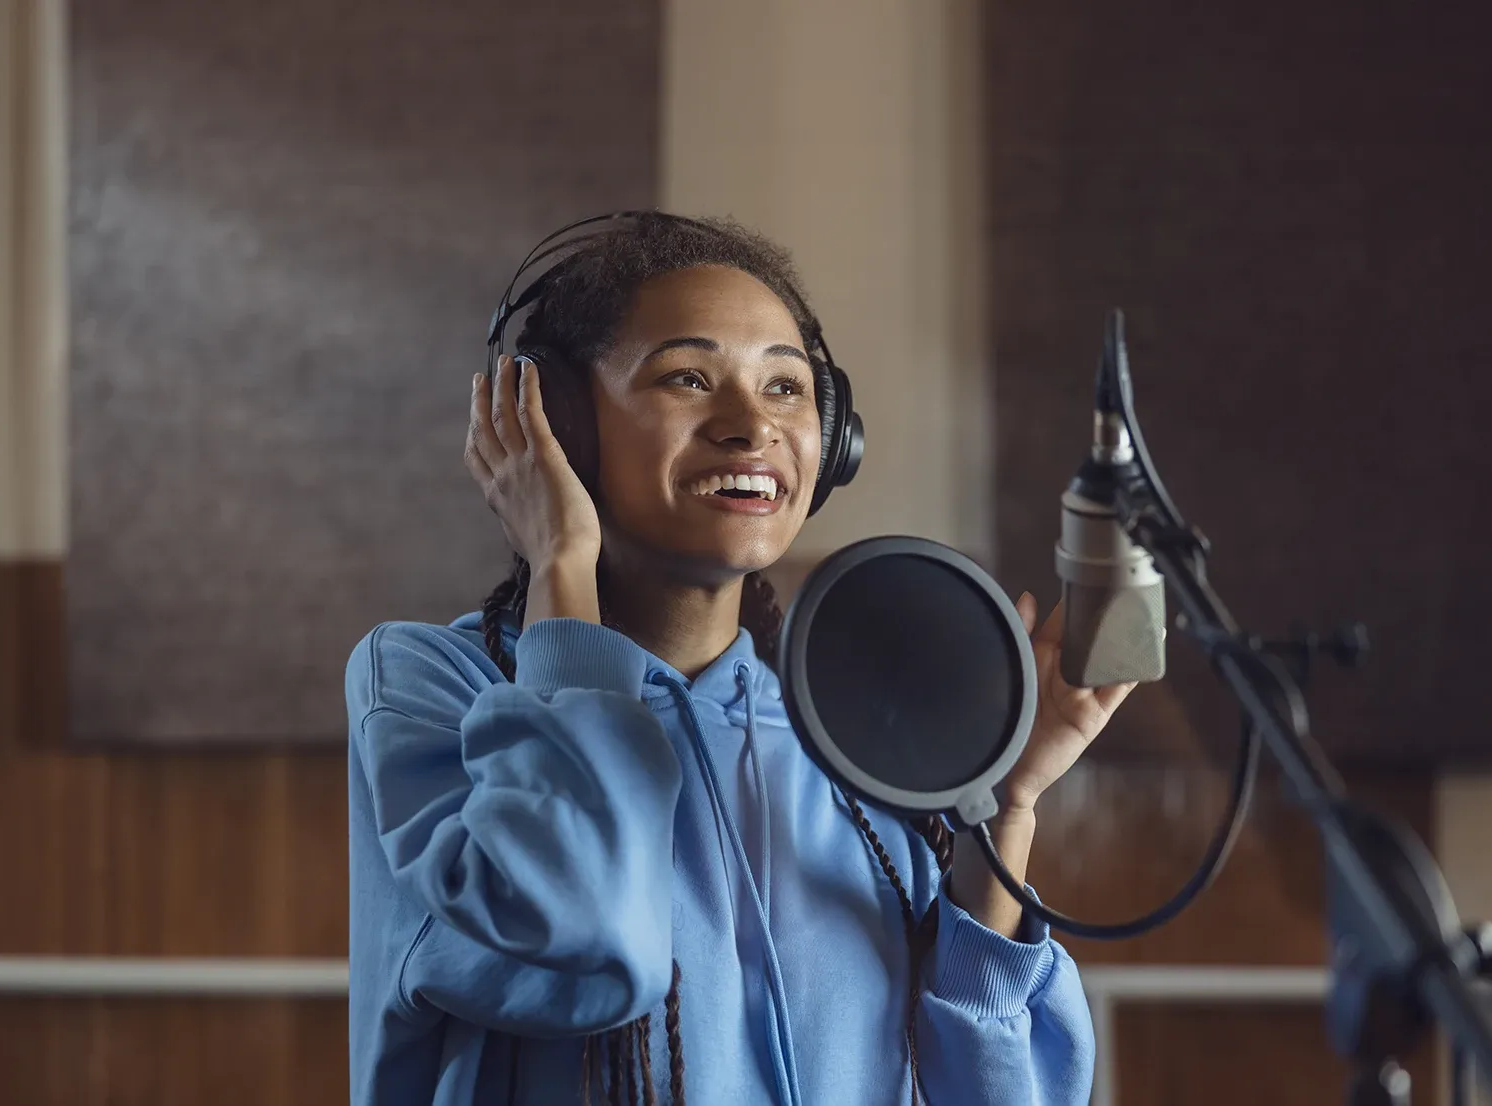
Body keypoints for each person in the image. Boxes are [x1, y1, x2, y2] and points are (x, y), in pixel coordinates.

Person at [344, 213, 1133, 1105]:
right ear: (554, 422)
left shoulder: (849, 735)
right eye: (688, 377)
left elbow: (989, 1089)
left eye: (786, 389)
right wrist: (560, 564)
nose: (750, 425)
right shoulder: (430, 687)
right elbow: (579, 936)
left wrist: (1001, 803)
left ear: (832, 441)